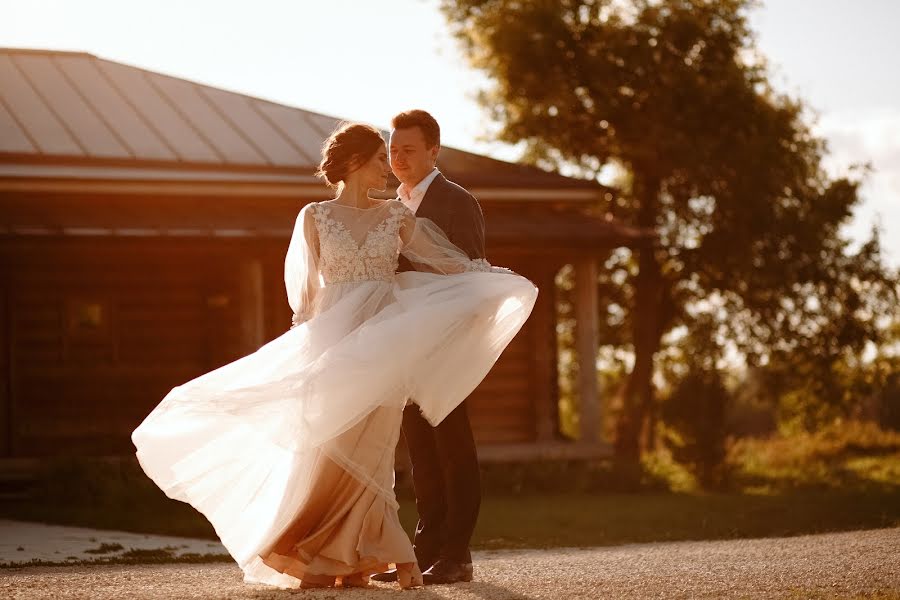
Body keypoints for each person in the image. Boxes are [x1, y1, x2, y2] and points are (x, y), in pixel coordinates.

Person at [131, 121, 538, 590]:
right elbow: (304, 297)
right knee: (329, 446)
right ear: (354, 163)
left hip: (384, 344)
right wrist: (305, 345)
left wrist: (492, 280)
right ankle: (316, 550)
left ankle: (371, 551)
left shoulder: (397, 218)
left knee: (376, 451)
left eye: (398, 154)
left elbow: (450, 262)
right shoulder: (314, 217)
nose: (390, 166)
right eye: (382, 158)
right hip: (333, 340)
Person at [373, 110, 484, 585]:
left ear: (434, 151)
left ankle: (458, 554)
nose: (398, 159)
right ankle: (425, 548)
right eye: (393, 150)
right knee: (420, 451)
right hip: (406, 345)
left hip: (448, 345)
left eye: (409, 150)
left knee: (453, 447)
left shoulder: (458, 202)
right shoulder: (388, 206)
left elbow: (473, 274)